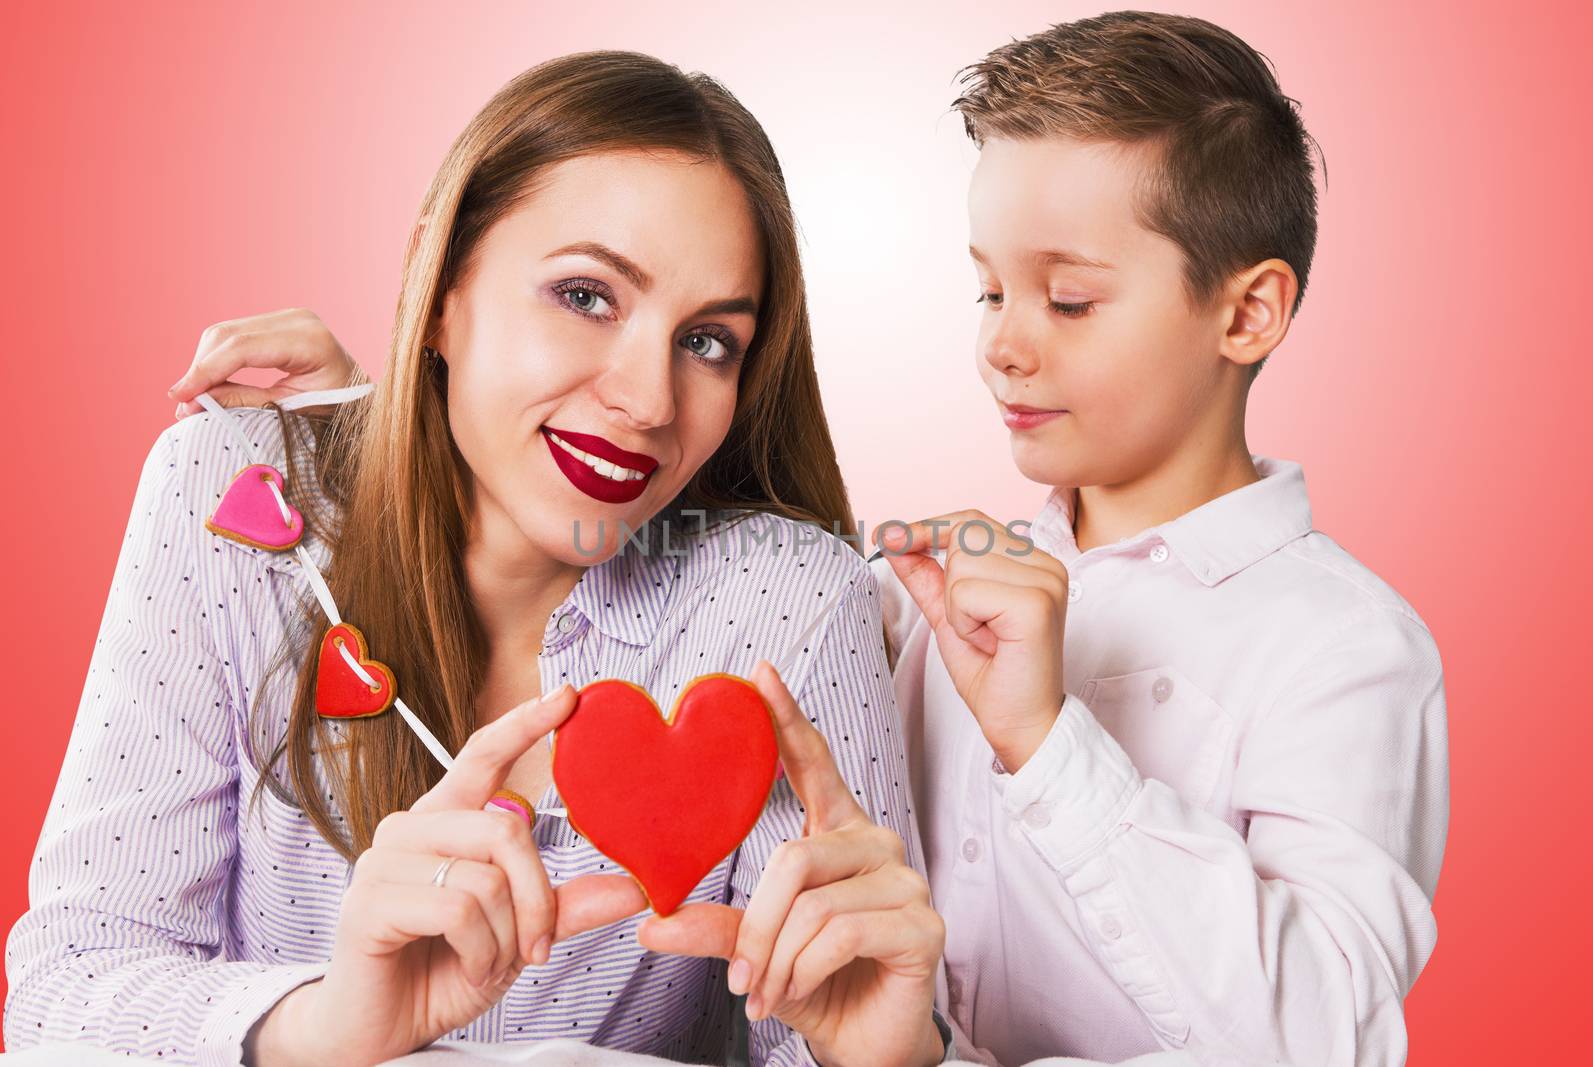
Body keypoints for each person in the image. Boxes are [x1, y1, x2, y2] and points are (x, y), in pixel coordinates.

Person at [162, 12, 1450, 1067]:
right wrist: (385, 422)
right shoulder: (927, 587)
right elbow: (683, 530)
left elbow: (1320, 1035)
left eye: (1066, 296)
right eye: (987, 287)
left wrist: (1050, 747)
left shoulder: (1341, 647)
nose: (1002, 339)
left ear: (1250, 312)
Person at [5, 51, 946, 1067]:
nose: (649, 401)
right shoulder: (235, 493)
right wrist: (329, 1023)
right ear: (442, 287)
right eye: (585, 294)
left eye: (709, 341)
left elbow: (817, 1027)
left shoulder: (786, 594)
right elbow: (65, 991)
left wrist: (878, 1054)